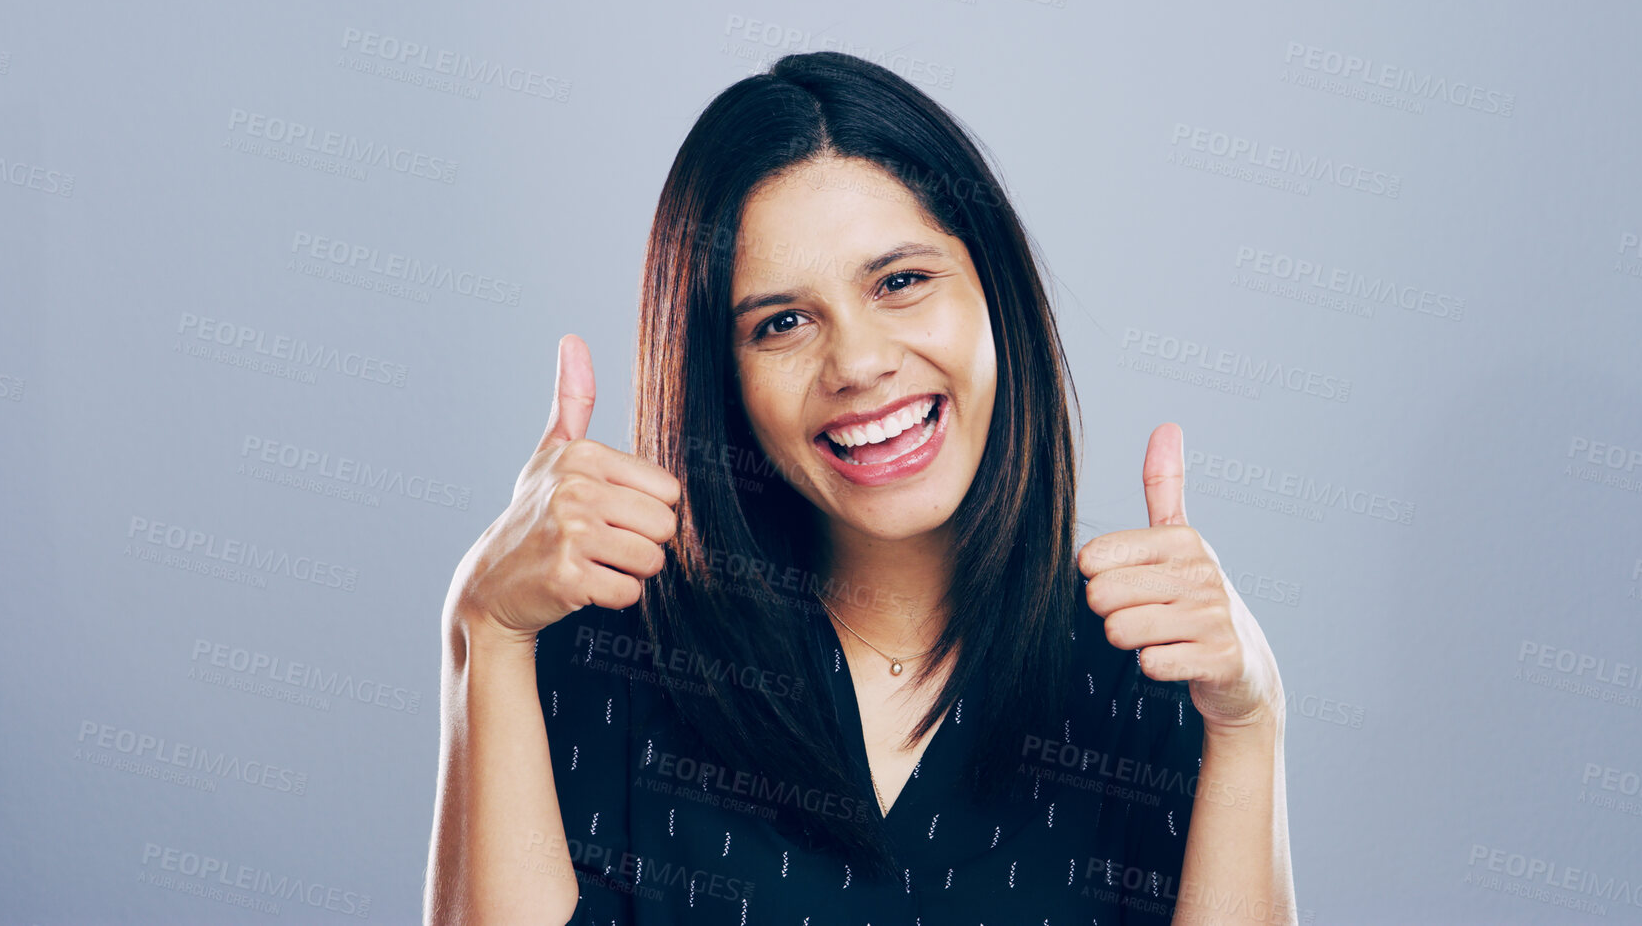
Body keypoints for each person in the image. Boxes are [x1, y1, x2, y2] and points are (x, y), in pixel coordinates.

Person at [425, 51, 1295, 925]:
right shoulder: (607, 657)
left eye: (901, 282)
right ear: (720, 377)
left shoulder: (1144, 666)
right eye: (783, 323)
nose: (859, 364)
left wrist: (1249, 726)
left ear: (998, 295)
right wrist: (485, 630)